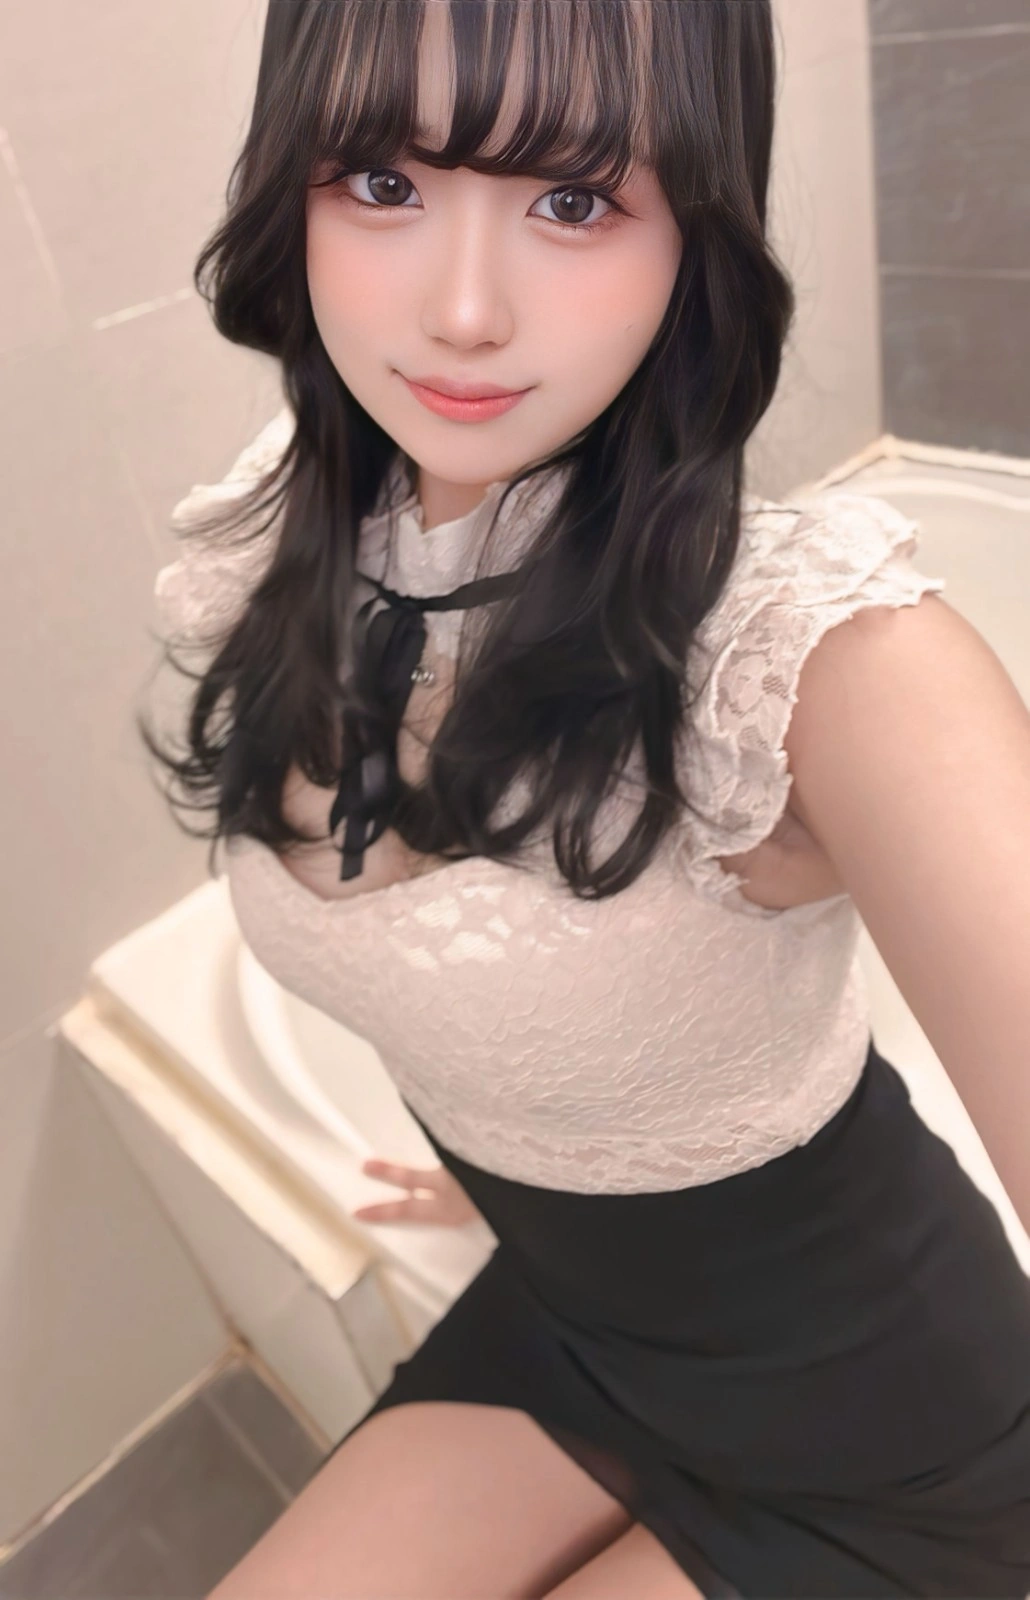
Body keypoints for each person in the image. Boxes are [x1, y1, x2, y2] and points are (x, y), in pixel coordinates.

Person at [142, 1, 1030, 1594]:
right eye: (382, 182)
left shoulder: (823, 662)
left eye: (571, 200)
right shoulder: (287, 543)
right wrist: (537, 1136)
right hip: (570, 1316)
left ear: (697, 229)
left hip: (891, 1438)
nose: (462, 313)